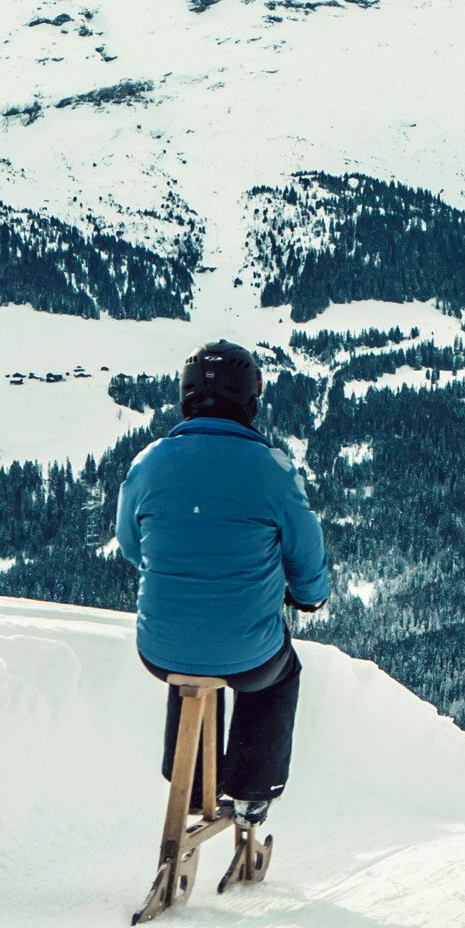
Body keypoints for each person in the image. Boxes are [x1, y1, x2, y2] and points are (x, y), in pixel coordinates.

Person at [115, 342, 331, 826]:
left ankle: (190, 786)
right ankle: (253, 792)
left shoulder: (148, 463)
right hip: (249, 654)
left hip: (158, 649)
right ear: (250, 400)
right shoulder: (271, 469)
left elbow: (132, 547)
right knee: (278, 674)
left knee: (189, 661)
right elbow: (306, 552)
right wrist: (310, 596)